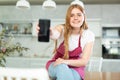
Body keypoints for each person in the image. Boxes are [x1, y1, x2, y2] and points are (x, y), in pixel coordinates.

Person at [36, 1, 95, 80]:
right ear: (68, 18)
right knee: (62, 67)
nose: (76, 18)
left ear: (84, 17)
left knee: (68, 75)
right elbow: (55, 33)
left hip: (76, 69)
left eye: (79, 15)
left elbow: (84, 61)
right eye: (72, 15)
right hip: (56, 65)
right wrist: (50, 32)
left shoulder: (89, 35)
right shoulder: (62, 28)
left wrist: (65, 61)